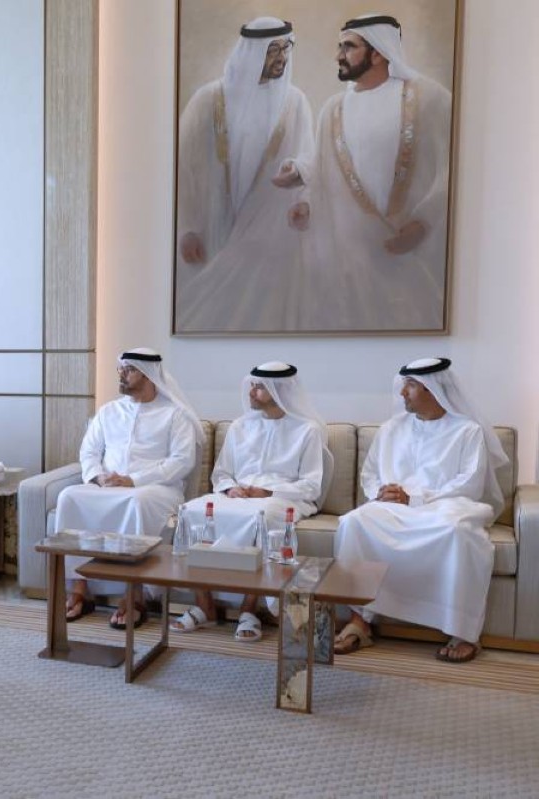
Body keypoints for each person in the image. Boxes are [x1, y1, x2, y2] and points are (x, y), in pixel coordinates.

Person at [273, 14, 452, 331]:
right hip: (351, 260)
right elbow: (325, 167)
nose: (338, 56)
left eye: (348, 47)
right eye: (340, 47)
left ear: (378, 52)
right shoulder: (334, 108)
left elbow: (453, 170)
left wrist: (423, 223)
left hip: (410, 252)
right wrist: (306, 200)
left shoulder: (430, 98)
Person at [332, 358, 505, 663]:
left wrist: (415, 498)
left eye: (410, 386)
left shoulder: (467, 430)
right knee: (353, 522)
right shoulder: (391, 429)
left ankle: (463, 632)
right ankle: (360, 620)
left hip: (446, 505)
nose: (403, 393)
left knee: (457, 532)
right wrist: (381, 493)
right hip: (393, 507)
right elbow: (370, 473)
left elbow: (470, 483)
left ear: (433, 388)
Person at [175, 17, 314, 332]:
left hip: (267, 237)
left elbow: (310, 158)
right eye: (273, 50)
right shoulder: (209, 100)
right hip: (210, 228)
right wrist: (186, 228)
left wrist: (298, 176)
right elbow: (182, 168)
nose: (282, 58)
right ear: (252, 51)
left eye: (286, 49)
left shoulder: (295, 102)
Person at [172, 362, 327, 641]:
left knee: (264, 516)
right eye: (252, 385)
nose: (251, 392)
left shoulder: (308, 430)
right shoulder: (240, 426)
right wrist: (231, 488)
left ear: (280, 391)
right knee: (192, 510)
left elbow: (310, 485)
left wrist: (269, 492)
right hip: (239, 496)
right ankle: (204, 605)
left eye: (259, 387)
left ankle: (249, 609)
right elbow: (221, 473)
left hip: (282, 499)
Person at [59, 348, 203, 628]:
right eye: (121, 369)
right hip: (107, 485)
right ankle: (79, 588)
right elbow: (89, 451)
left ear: (148, 374)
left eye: (129, 370)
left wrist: (134, 480)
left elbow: (182, 461)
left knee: (136, 502)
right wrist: (98, 477)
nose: (122, 375)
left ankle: (134, 594)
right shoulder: (109, 411)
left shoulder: (174, 415)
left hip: (157, 488)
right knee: (69, 497)